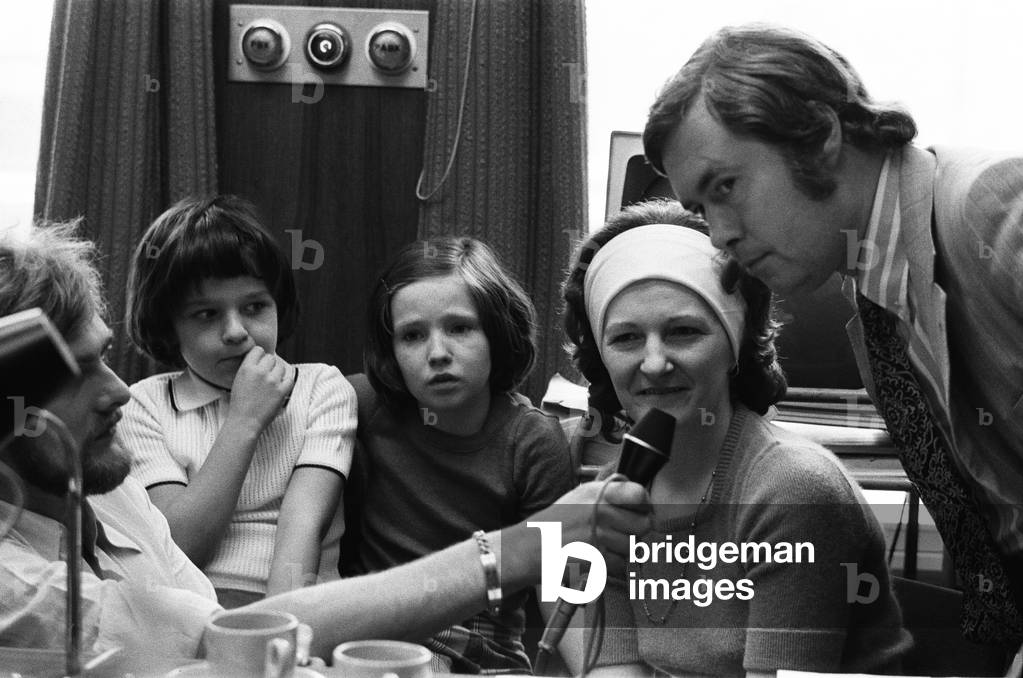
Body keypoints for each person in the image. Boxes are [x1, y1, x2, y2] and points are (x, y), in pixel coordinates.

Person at [0, 221, 651, 671]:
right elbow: (223, 642)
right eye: (75, 373)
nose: (116, 390)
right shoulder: (16, 586)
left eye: (104, 356)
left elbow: (254, 616)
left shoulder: (105, 484)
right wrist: (522, 547)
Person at [642, 23, 1023, 646]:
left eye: (726, 186)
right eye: (702, 210)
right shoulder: (871, 288)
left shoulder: (996, 208)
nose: (719, 235)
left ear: (820, 138)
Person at [561, 200, 910, 676]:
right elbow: (611, 671)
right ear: (602, 359)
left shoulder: (793, 490)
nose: (655, 363)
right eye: (626, 338)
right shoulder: (610, 497)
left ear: (734, 344)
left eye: (683, 332)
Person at [345, 236, 575, 673]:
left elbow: (558, 586)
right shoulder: (359, 404)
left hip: (483, 655)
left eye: (459, 328)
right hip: (375, 639)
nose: (437, 354)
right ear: (391, 350)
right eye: (412, 335)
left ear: (497, 334)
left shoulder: (532, 440)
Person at [116, 195, 355, 607]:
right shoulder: (143, 405)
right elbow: (179, 546)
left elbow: (304, 524)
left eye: (255, 307)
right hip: (189, 607)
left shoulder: (322, 388)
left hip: (296, 606)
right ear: (169, 327)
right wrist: (245, 420)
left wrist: (274, 629)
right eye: (207, 314)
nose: (236, 332)